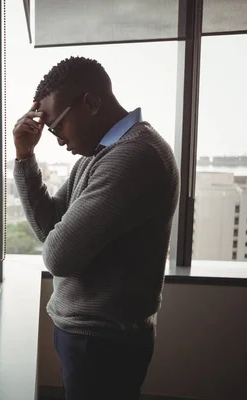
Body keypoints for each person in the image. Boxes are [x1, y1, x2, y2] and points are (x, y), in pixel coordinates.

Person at [13, 56, 179, 400]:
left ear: (90, 103)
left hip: (103, 342)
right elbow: (49, 225)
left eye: (57, 127)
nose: (57, 141)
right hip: (93, 335)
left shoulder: (134, 157)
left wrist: (59, 234)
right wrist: (25, 157)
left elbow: (59, 255)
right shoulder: (98, 155)